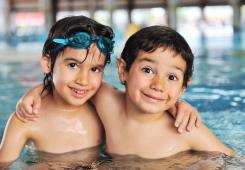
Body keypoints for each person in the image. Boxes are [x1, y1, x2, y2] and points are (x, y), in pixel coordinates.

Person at [13, 24, 205, 160]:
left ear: (183, 87)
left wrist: (179, 103)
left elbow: (232, 162)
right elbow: (72, 85)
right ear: (123, 71)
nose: (158, 85)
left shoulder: (187, 130)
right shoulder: (107, 100)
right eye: (147, 70)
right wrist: (35, 92)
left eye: (172, 78)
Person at [0, 15, 115, 163]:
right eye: (73, 65)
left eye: (94, 69)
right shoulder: (26, 119)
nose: (83, 80)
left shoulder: (103, 108)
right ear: (47, 63)